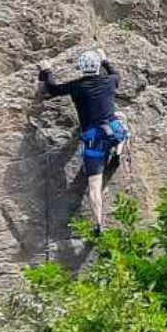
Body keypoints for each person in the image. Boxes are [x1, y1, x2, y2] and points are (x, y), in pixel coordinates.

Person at [35, 47, 127, 226]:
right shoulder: (110, 81)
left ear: (81, 68)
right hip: (113, 132)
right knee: (122, 118)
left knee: (94, 186)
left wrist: (46, 70)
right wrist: (105, 59)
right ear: (98, 67)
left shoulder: (76, 86)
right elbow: (116, 73)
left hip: (94, 140)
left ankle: (99, 223)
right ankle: (118, 149)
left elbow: (53, 89)